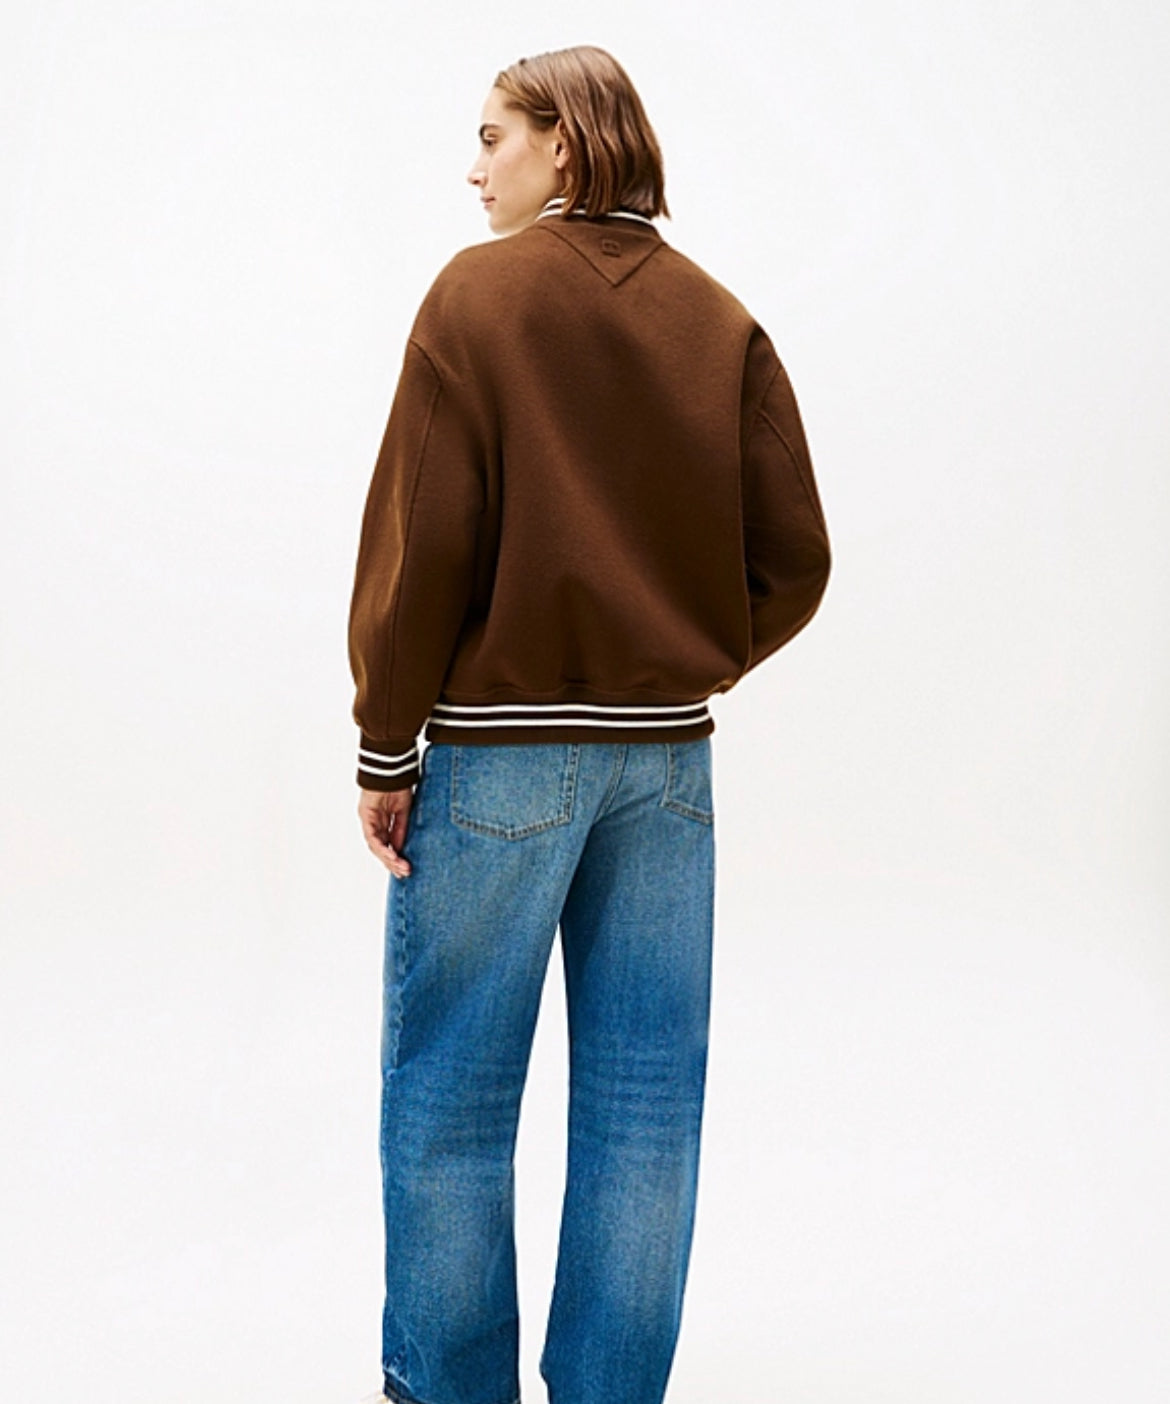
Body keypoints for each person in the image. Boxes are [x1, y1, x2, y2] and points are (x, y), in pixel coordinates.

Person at [348, 44, 831, 1404]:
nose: (474, 167)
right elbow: (797, 560)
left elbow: (420, 547)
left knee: (451, 1099)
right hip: (667, 767)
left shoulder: (476, 297)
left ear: (564, 141)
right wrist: (678, 655)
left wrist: (388, 746)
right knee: (645, 1112)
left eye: (492, 136)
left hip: (499, 760)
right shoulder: (716, 318)